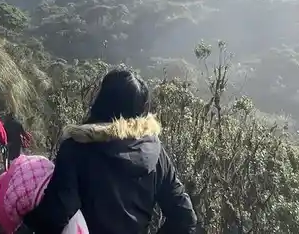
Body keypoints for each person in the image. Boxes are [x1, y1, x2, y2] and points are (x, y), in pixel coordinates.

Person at [23, 69, 198, 234]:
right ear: (141, 108)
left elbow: (58, 214)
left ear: (101, 101)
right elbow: (184, 216)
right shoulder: (156, 151)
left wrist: (23, 222)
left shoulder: (76, 148)